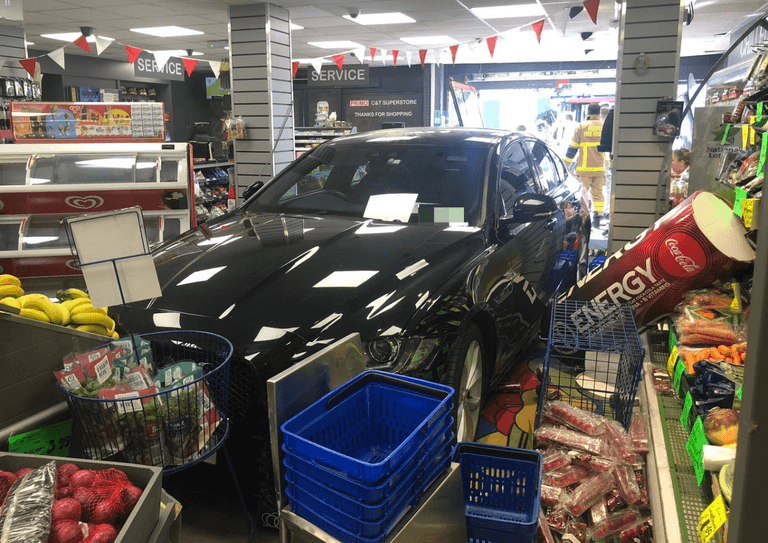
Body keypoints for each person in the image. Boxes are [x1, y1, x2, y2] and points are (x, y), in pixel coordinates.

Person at [564, 102, 607, 229]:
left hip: (584, 169)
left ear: (588, 112)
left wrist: (565, 165)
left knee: (582, 195)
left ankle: (581, 219)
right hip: (599, 168)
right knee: (598, 195)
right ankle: (597, 219)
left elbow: (573, 148)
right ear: (598, 113)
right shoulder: (604, 126)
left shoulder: (582, 127)